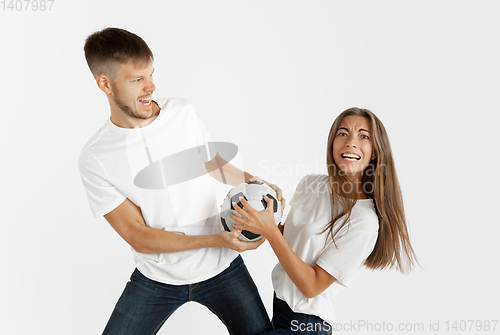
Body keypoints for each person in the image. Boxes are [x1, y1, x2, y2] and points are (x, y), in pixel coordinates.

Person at [78, 27, 283, 335]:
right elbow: (138, 236)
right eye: (137, 80)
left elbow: (212, 164)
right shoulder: (96, 158)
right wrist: (216, 240)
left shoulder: (182, 113)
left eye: (151, 74)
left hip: (222, 268)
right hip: (157, 279)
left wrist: (254, 182)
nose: (151, 86)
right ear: (105, 84)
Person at [230, 107, 418, 334]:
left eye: (363, 136)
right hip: (279, 308)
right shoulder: (311, 184)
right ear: (332, 142)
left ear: (375, 151)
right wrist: (262, 213)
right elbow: (289, 242)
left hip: (308, 325)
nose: (351, 142)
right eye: (343, 133)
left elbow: (312, 286)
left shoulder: (365, 221)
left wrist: (270, 231)